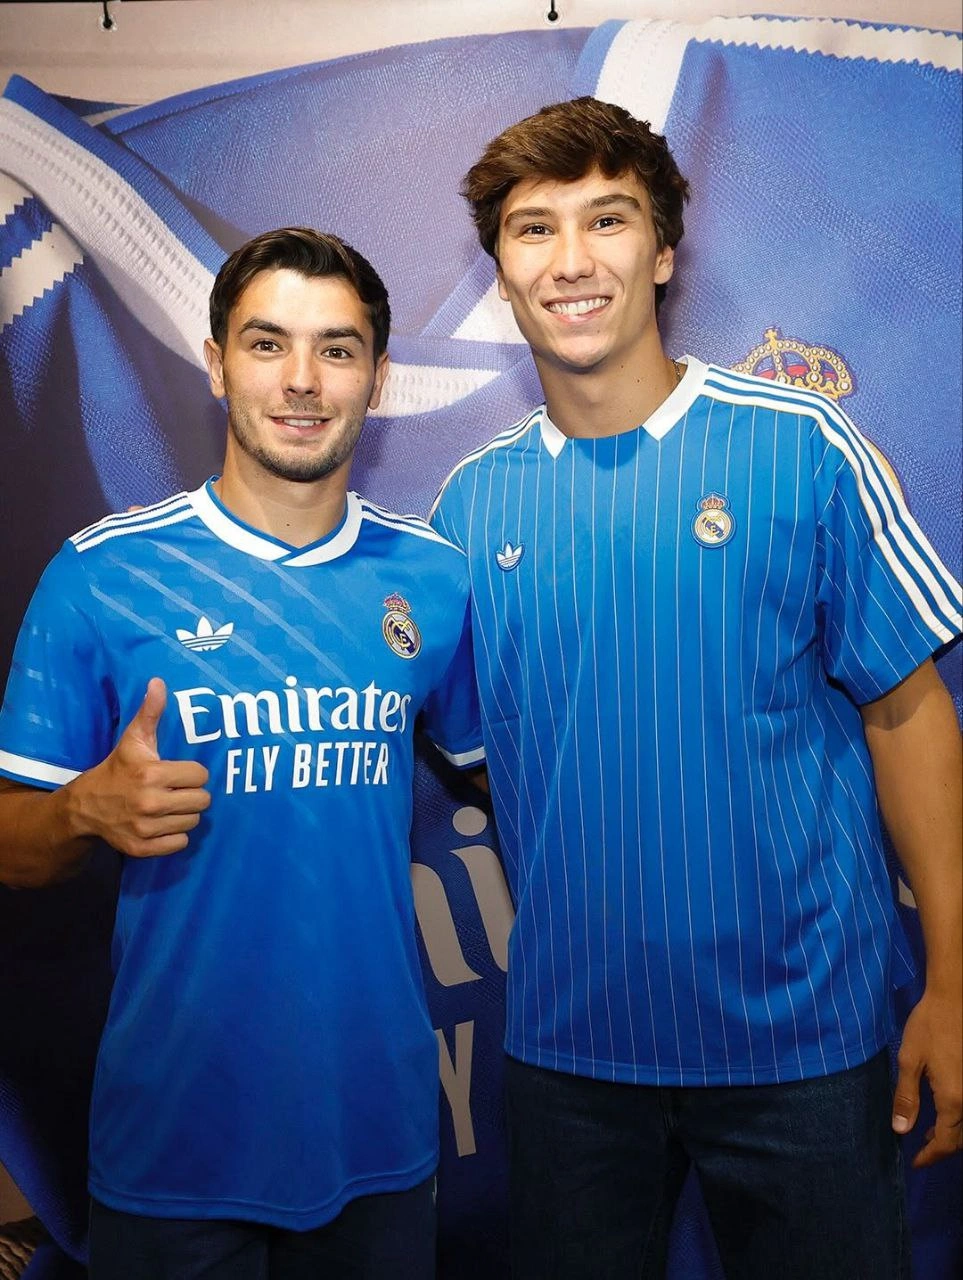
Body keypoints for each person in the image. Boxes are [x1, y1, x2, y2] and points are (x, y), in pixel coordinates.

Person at [429, 97, 963, 1279]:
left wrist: (957, 982)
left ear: (664, 250)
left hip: (806, 1050)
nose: (571, 259)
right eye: (534, 229)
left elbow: (908, 708)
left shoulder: (804, 444)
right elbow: (468, 753)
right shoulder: (466, 510)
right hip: (572, 1059)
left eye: (607, 219)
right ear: (502, 275)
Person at [0, 227, 483, 1279]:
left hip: (377, 1132)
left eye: (337, 349)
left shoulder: (435, 579)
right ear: (218, 365)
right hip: (173, 1141)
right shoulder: (102, 575)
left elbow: (522, 776)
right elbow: (11, 847)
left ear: (377, 378)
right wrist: (83, 810)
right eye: (268, 344)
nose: (302, 379)